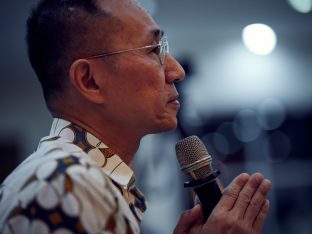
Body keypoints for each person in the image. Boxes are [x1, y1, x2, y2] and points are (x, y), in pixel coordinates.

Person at [0, 0, 272, 233]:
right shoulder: (63, 185)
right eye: (153, 50)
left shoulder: (84, 181)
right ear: (90, 80)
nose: (177, 71)